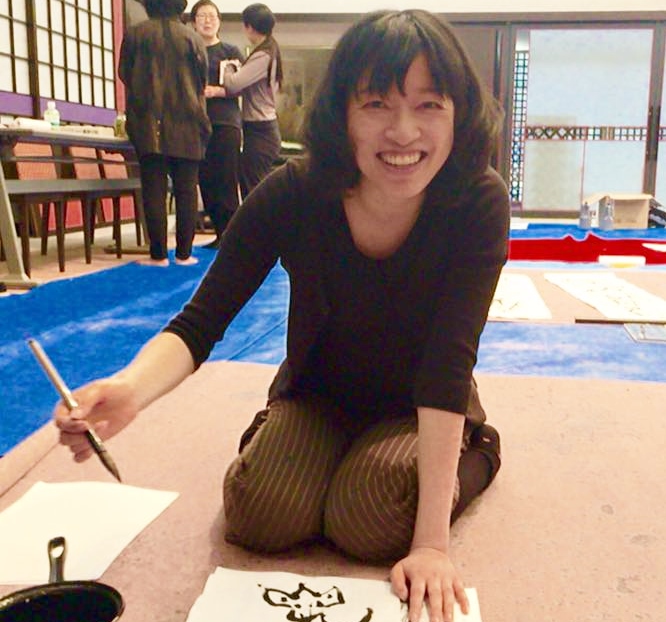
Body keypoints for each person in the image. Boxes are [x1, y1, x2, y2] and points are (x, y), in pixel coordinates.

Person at [55, 10, 508, 622]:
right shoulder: (295, 192)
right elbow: (201, 321)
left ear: (459, 114)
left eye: (429, 105)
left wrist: (431, 545)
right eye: (376, 103)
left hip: (417, 404)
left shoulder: (476, 201)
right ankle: (303, 445)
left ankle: (479, 450)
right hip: (315, 395)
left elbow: (448, 364)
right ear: (342, 114)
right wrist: (130, 390)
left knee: (371, 521)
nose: (403, 131)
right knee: (258, 512)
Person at [119, 0, 211, 266]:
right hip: (189, 120)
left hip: (148, 121)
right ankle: (184, 254)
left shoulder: (136, 34)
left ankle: (158, 254)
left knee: (153, 188)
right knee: (186, 189)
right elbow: (201, 80)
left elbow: (124, 73)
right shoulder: (193, 38)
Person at [190, 0, 245, 249]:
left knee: (226, 179)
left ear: (219, 21)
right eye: (202, 16)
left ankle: (232, 235)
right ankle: (219, 232)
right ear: (193, 22)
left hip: (225, 123)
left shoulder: (230, 51)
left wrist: (216, 91)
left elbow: (242, 85)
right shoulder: (189, 51)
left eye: (212, 16)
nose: (207, 20)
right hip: (196, 123)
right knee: (205, 180)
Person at [219, 3, 282, 198]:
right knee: (251, 184)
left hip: (261, 130)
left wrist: (228, 66)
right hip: (261, 128)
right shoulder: (269, 49)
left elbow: (233, 84)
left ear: (250, 27)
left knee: (253, 188)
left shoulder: (263, 55)